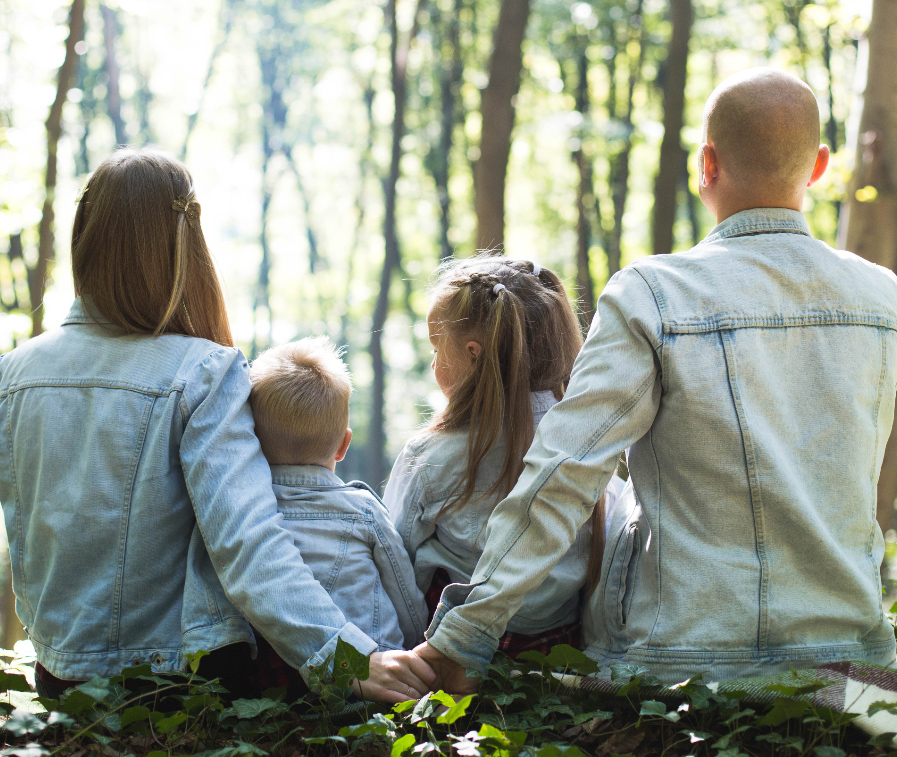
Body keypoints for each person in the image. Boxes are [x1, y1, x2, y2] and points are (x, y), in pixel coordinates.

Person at [414, 68, 897, 690]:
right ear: (820, 166)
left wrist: (466, 635)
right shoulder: (884, 299)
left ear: (706, 165)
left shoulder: (653, 295)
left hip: (678, 664)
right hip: (852, 668)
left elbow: (564, 473)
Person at [0, 148, 434, 702]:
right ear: (184, 244)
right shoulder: (203, 371)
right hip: (175, 684)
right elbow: (247, 543)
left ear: (84, 235)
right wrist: (347, 659)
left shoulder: (12, 373)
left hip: (59, 679)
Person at [384, 256, 625, 656]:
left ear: (473, 354)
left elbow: (395, 562)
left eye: (436, 348)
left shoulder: (429, 455)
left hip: (447, 652)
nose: (432, 363)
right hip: (557, 652)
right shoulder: (590, 451)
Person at [246, 336, 428, 696]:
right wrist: (414, 646)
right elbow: (405, 596)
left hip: (277, 684)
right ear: (344, 445)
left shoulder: (246, 514)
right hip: (373, 677)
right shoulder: (362, 510)